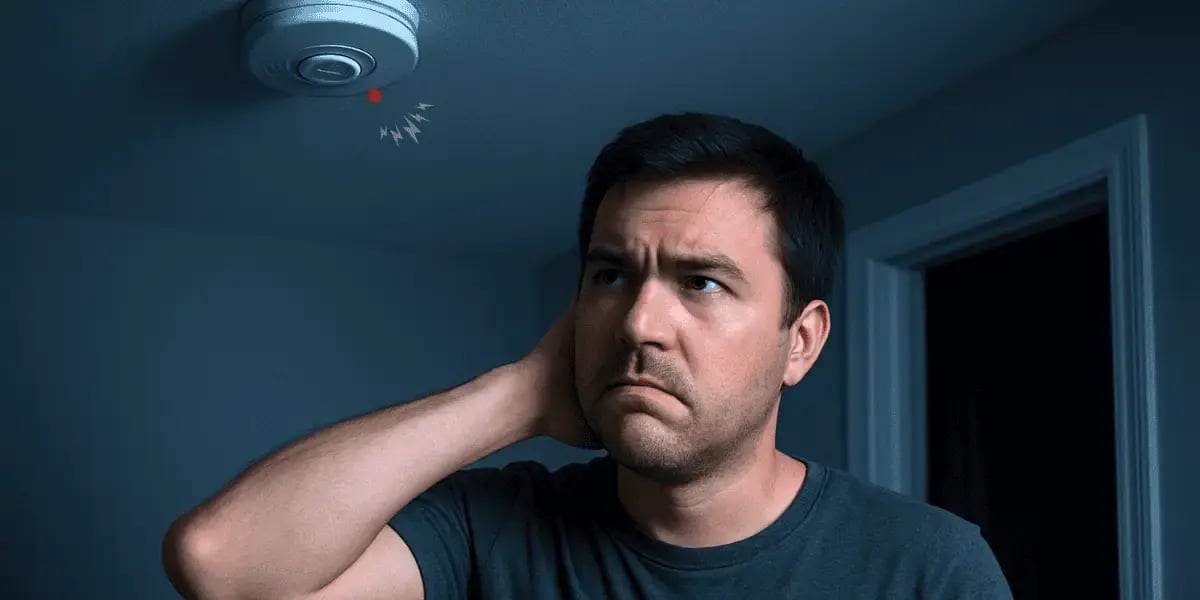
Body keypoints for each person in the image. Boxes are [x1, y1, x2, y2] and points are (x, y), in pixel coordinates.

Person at [162, 112, 1012, 599]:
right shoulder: (491, 531)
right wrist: (519, 393)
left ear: (802, 342)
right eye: (611, 275)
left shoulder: (929, 568)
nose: (639, 321)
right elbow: (222, 564)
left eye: (702, 282)